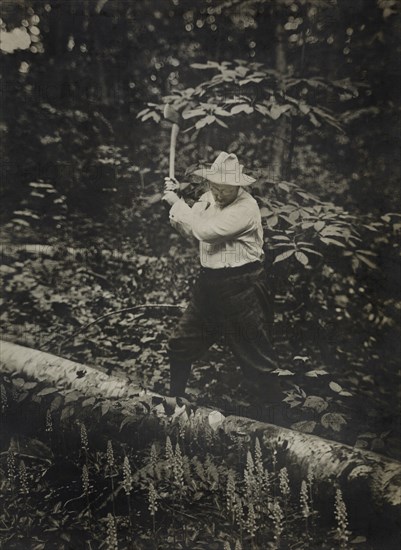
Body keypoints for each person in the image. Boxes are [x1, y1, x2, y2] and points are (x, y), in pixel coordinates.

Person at [162, 151, 283, 412]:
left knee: (257, 360)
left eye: (225, 189)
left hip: (242, 286)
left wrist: (176, 203)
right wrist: (177, 203)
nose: (218, 193)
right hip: (209, 285)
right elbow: (189, 230)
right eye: (214, 187)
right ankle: (175, 404)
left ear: (238, 186)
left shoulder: (245, 208)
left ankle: (280, 427)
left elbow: (205, 232)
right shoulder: (209, 199)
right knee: (181, 343)